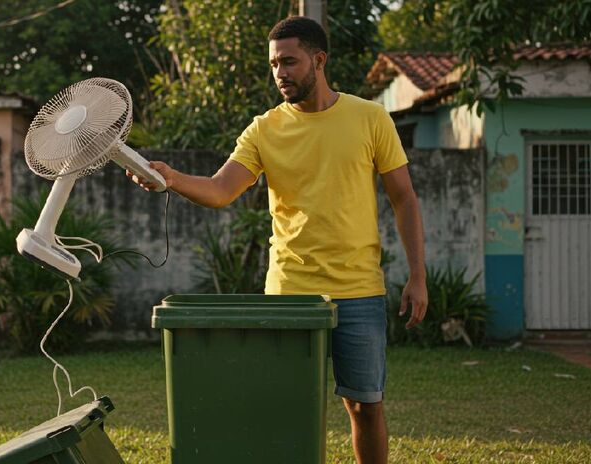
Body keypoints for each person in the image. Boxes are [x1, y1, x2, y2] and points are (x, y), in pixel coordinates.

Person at [129, 15, 428, 464]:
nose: (280, 74)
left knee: (365, 406)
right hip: (289, 295)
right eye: (273, 65)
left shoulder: (370, 119)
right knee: (283, 410)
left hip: (358, 290)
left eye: (289, 62)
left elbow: (404, 198)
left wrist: (417, 276)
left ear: (319, 60)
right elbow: (220, 189)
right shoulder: (263, 129)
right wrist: (171, 179)